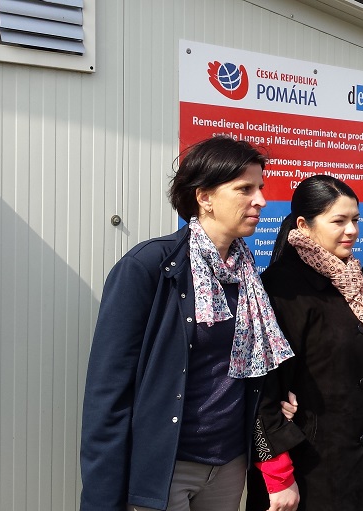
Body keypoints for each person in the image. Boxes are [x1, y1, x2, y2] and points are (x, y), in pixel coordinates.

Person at [80, 136, 296, 511]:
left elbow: (252, 372)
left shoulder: (247, 275)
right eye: (245, 189)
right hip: (165, 468)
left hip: (229, 464)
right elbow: (108, 393)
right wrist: (102, 498)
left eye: (260, 187)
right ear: (204, 197)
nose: (261, 200)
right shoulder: (150, 267)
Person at [244, 175, 363, 511]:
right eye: (339, 221)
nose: (352, 230)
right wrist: (279, 477)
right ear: (304, 225)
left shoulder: (352, 283)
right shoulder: (283, 290)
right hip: (306, 471)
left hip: (348, 466)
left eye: (355, 220)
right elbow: (263, 393)